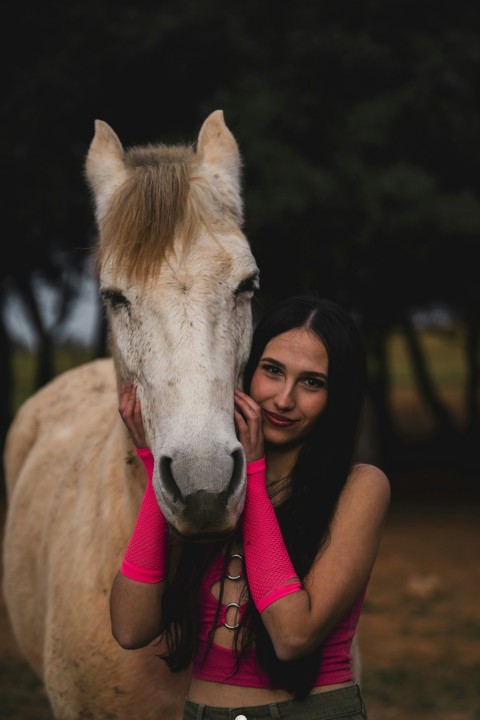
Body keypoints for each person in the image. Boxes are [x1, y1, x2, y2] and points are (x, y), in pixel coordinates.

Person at [110, 294, 391, 720]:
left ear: (338, 396)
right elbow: (130, 629)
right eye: (273, 371)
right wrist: (157, 465)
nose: (283, 399)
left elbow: (293, 635)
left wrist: (254, 473)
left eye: (312, 382)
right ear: (246, 370)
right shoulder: (212, 487)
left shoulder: (361, 487)